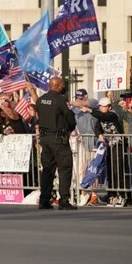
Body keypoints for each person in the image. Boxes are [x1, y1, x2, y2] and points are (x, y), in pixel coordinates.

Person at [35, 77, 77, 210]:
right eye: (62, 85)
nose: (63, 87)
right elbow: (69, 118)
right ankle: (64, 200)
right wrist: (69, 129)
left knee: (47, 170)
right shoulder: (60, 100)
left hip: (45, 138)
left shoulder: (40, 100)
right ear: (57, 86)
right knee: (64, 169)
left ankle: (44, 200)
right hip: (58, 139)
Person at [80, 97, 129, 207]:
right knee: (110, 171)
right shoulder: (100, 118)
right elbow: (97, 128)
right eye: (100, 106)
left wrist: (89, 110)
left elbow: (103, 116)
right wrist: (99, 135)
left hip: (119, 145)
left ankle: (122, 195)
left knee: (118, 170)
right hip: (109, 146)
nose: (101, 108)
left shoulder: (113, 115)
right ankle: (112, 194)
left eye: (104, 106)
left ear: (109, 107)